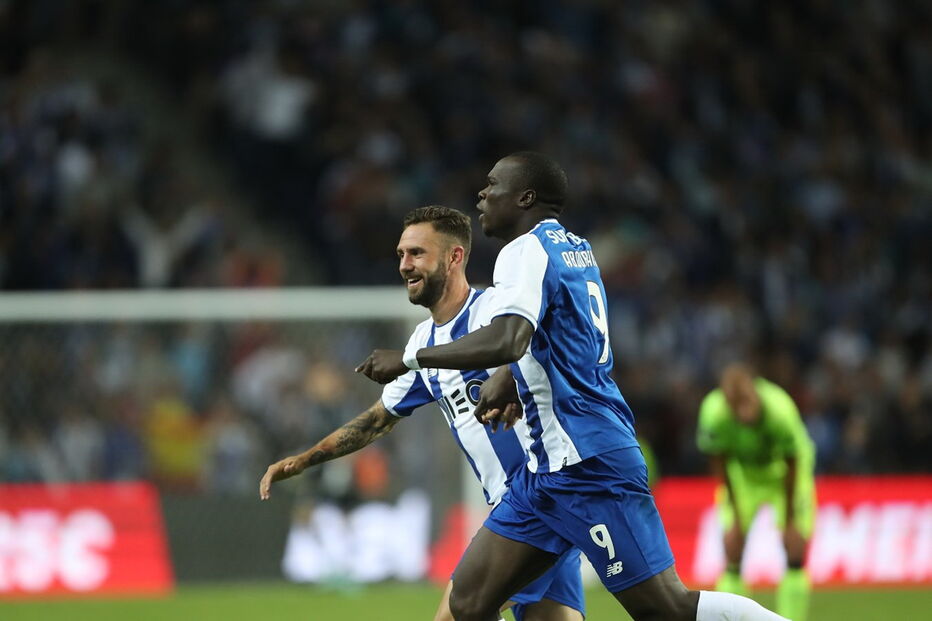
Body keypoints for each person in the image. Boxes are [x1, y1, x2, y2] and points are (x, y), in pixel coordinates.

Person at [357, 152, 788, 621]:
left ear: (525, 197)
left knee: (667, 608)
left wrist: (409, 359)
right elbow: (559, 337)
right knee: (468, 603)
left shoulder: (524, 251)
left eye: (493, 184)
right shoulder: (575, 248)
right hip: (544, 473)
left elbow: (508, 337)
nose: (482, 194)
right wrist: (512, 377)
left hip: (586, 461)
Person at [260, 205, 585, 621]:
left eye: (417, 253)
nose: (405, 265)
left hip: (539, 495)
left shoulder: (497, 312)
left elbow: (550, 338)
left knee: (455, 614)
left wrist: (509, 376)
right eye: (401, 254)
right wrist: (303, 460)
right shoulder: (422, 345)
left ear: (454, 257)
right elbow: (376, 420)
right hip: (524, 505)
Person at [697, 363, 816, 621]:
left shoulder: (780, 409)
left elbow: (793, 460)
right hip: (744, 478)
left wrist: (790, 519)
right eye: (737, 406)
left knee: (795, 550)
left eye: (747, 402)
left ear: (755, 391)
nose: (745, 412)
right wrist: (736, 516)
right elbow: (719, 461)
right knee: (732, 549)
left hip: (784, 475)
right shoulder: (714, 413)